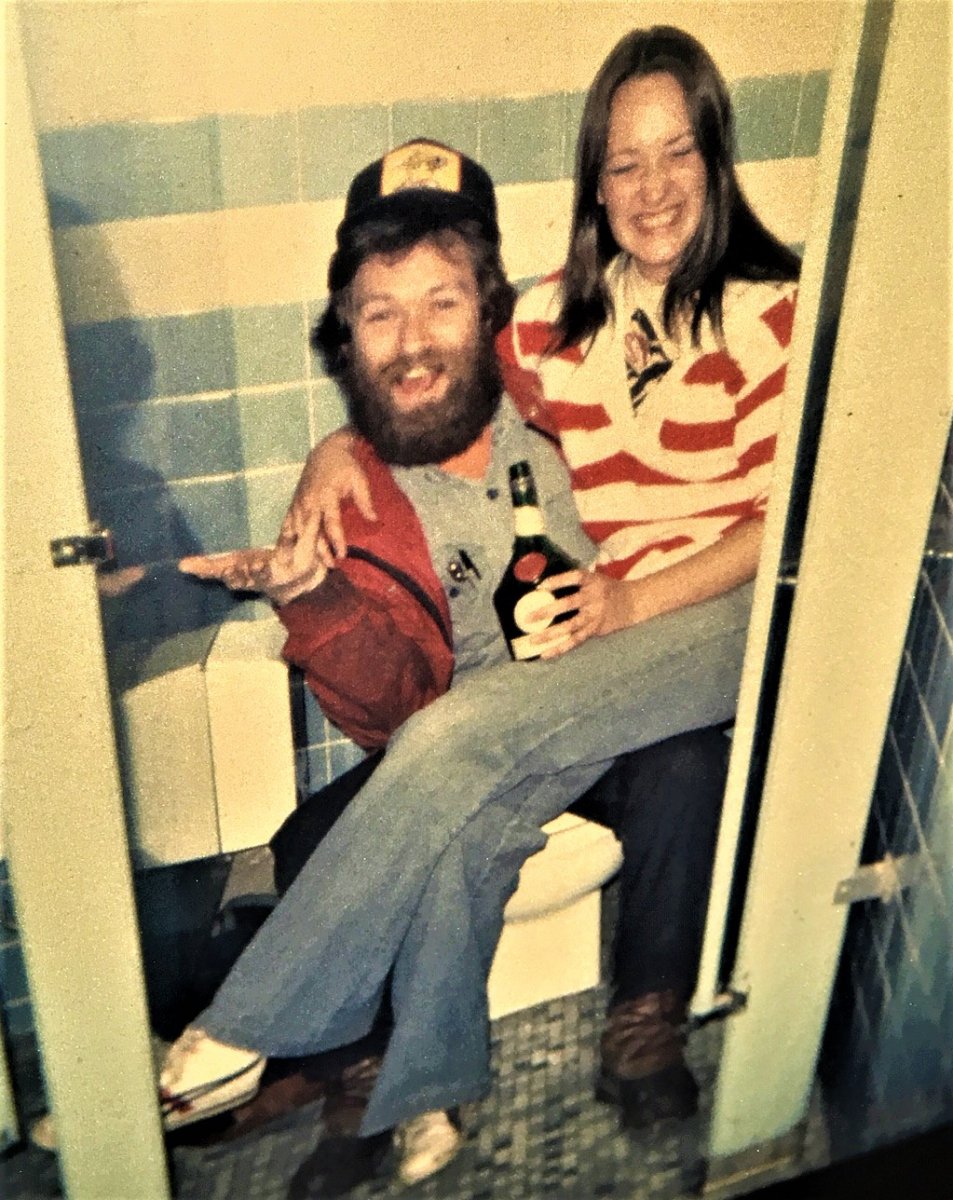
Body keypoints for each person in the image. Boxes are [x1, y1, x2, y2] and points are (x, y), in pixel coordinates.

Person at [160, 19, 798, 1192]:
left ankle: (247, 1020)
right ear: (592, 181)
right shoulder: (552, 318)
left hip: (731, 621)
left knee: (462, 733)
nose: (650, 190)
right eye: (621, 162)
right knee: (470, 817)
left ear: (714, 157)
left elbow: (777, 523)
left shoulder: (772, 311)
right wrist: (330, 447)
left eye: (675, 155)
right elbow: (414, 351)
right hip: (616, 631)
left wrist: (626, 599)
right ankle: (419, 1091)